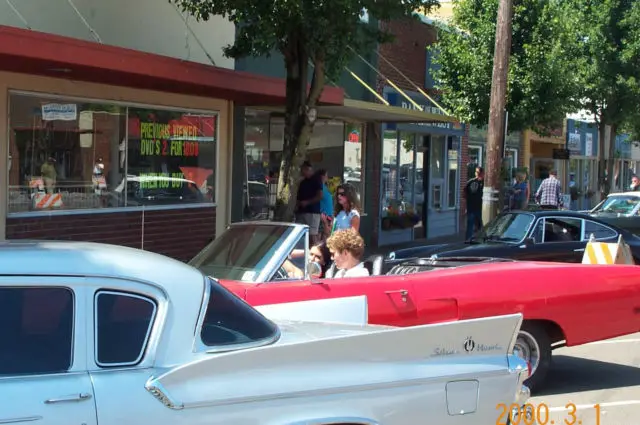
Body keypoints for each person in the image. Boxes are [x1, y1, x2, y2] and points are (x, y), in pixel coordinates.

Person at [295, 161, 323, 244]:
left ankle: (316, 252)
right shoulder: (303, 182)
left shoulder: (316, 179)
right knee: (301, 235)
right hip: (301, 212)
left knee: (312, 235)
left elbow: (320, 196)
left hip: (312, 212)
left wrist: (307, 202)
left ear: (308, 169)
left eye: (303, 170)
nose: (302, 172)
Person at [463, 166, 484, 242]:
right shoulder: (470, 182)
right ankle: (468, 239)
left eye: (478, 172)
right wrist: (466, 206)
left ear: (482, 173)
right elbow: (464, 194)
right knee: (471, 225)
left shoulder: (484, 182)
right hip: (472, 208)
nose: (477, 174)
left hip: (480, 208)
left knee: (480, 225)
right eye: (476, 172)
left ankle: (476, 238)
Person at [316, 169, 334, 240]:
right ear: (321, 176)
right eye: (326, 175)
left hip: (328, 215)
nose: (327, 177)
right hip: (323, 215)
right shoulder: (319, 187)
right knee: (320, 235)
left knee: (326, 236)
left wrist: (332, 214)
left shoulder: (325, 187)